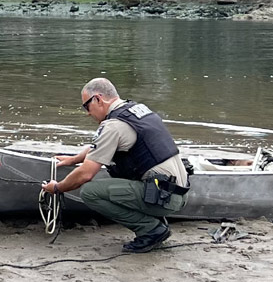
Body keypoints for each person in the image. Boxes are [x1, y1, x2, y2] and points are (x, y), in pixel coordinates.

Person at [41, 78, 189, 253]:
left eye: (86, 107)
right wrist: (74, 159)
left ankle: (151, 230)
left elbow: (85, 175)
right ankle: (155, 221)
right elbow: (102, 145)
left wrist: (57, 187)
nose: (88, 113)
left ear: (98, 99)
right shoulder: (136, 111)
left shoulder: (113, 126)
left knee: (90, 192)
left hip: (164, 198)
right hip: (177, 192)